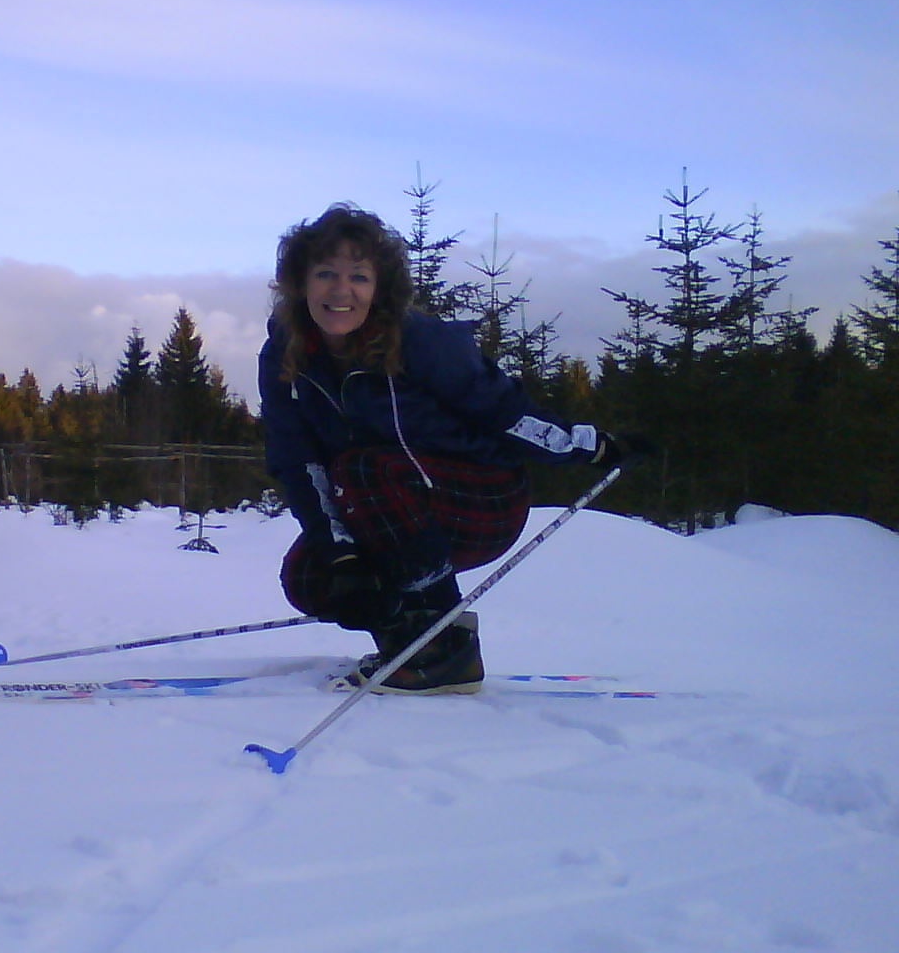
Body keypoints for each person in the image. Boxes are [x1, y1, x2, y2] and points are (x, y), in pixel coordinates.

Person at [258, 203, 638, 694]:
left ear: (380, 287)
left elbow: (505, 413)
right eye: (325, 273)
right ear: (300, 283)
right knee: (311, 574)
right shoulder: (285, 355)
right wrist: (343, 558)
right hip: (386, 500)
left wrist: (592, 446)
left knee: (365, 469)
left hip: (481, 498)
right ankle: (404, 640)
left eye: (359, 277)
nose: (341, 290)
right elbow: (298, 461)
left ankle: (441, 647)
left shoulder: (420, 341)